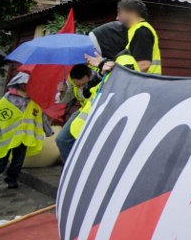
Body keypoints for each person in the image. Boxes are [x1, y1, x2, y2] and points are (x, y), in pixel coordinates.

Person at [55, 20, 133, 163]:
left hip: (100, 112)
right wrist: (62, 92)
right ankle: (71, 171)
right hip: (83, 113)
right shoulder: (72, 76)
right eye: (78, 85)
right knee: (62, 139)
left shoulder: (101, 66)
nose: (81, 87)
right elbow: (66, 99)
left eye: (84, 84)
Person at [0, 72, 54, 192]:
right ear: (19, 83)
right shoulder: (7, 98)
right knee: (0, 159)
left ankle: (12, 179)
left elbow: (40, 116)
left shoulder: (32, 100)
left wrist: (48, 131)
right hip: (6, 137)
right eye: (26, 83)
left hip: (23, 137)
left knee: (18, 161)